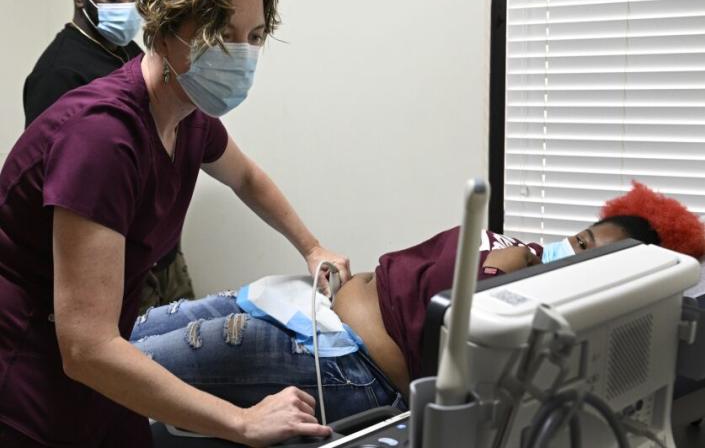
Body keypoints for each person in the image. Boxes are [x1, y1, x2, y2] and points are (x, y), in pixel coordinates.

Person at [0, 0, 351, 446]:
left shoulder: (188, 113)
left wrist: (311, 247)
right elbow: (86, 347)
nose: (242, 55)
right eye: (221, 33)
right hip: (26, 365)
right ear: (166, 26)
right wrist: (242, 420)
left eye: (254, 37)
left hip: (102, 356)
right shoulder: (103, 138)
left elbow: (246, 178)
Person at [130, 182, 705, 425]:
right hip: (305, 307)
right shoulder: (516, 243)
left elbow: (453, 334)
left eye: (586, 260)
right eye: (581, 240)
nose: (568, 254)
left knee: (126, 366)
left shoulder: (534, 301)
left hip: (343, 361)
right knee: (129, 329)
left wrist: (509, 273)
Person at [24, 0, 191, 317]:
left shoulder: (129, 52)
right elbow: (57, 194)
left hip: (163, 256)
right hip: (115, 267)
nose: (127, 4)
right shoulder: (58, 75)